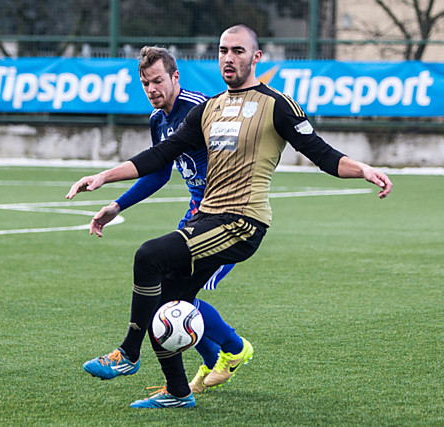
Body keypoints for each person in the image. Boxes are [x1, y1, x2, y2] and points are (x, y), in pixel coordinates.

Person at [66, 24, 392, 409]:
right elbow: (159, 157)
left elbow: (319, 152)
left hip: (241, 222)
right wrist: (104, 177)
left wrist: (363, 169)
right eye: (223, 50)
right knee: (169, 300)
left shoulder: (277, 104)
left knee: (148, 256)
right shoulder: (210, 108)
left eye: (238, 50)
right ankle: (177, 392)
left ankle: (129, 354)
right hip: (206, 217)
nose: (228, 57)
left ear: (256, 57)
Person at [83, 46, 250, 394]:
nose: (151, 89)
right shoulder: (158, 120)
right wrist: (117, 205)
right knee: (170, 297)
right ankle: (212, 359)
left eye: (157, 80)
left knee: (174, 295)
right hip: (196, 215)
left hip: (224, 218)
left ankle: (232, 350)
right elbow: (158, 172)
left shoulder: (200, 109)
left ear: (175, 77)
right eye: (145, 83)